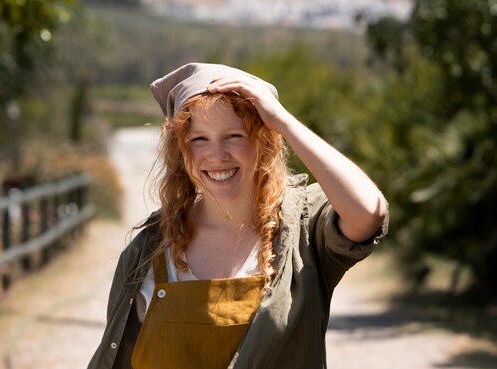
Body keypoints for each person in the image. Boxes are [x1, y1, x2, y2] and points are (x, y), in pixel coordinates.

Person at [88, 62, 388, 369]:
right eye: (199, 139)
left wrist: (281, 119)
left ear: (264, 141)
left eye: (234, 135)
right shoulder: (148, 250)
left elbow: (369, 212)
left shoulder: (303, 230)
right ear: (180, 150)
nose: (217, 156)